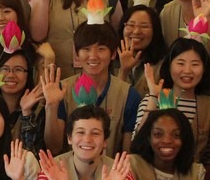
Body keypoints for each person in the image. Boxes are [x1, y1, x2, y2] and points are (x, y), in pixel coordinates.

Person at [43, 22, 140, 156]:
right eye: (86, 49)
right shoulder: (61, 90)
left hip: (110, 172)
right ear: (76, 54)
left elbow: (127, 154)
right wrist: (51, 106)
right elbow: (54, 148)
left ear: (112, 54)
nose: (93, 56)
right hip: (67, 173)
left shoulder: (128, 94)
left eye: (101, 49)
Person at [136, 34, 210, 164]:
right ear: (169, 65)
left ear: (204, 69)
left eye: (195, 64)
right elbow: (137, 144)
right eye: (180, 63)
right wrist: (152, 97)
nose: (187, 70)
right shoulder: (151, 100)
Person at [116, 3, 167, 97]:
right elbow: (113, 102)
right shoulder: (110, 61)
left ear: (155, 31)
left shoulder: (164, 65)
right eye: (131, 25)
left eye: (144, 26)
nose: (136, 31)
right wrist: (124, 71)